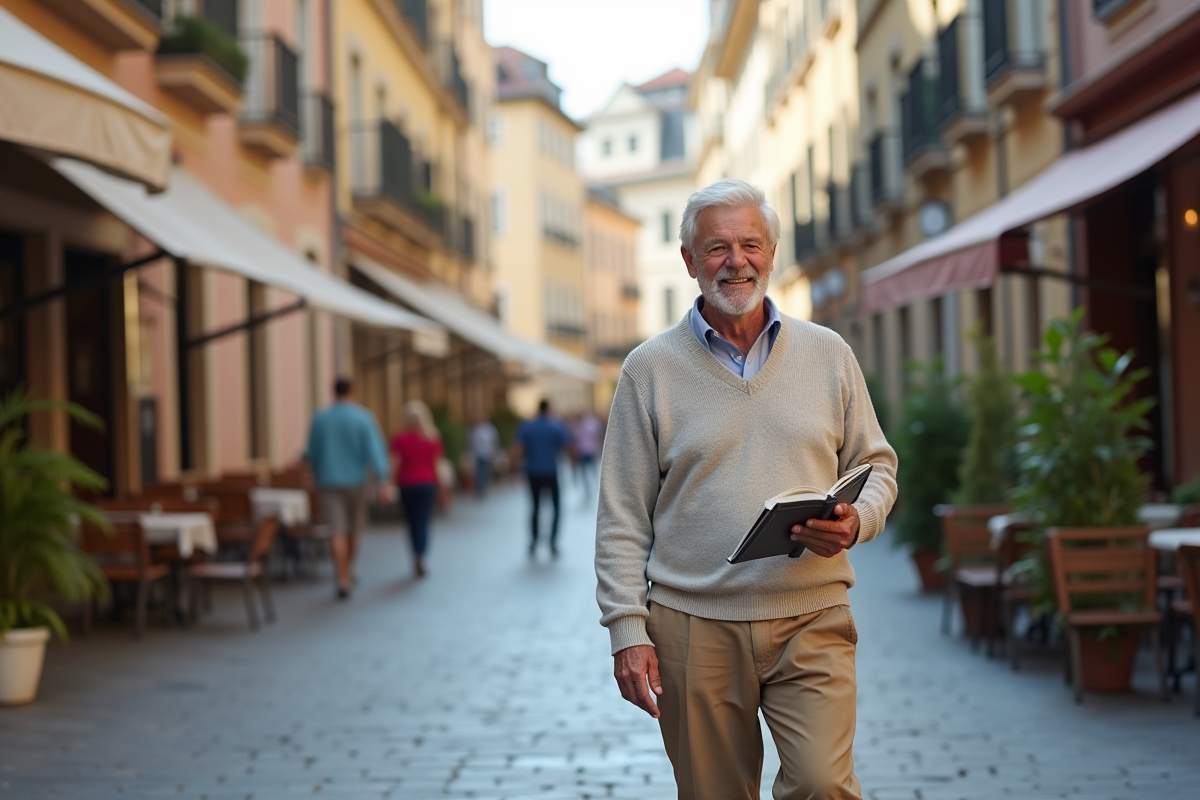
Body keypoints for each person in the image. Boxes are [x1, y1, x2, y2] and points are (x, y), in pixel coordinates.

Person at [595, 179, 897, 800]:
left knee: (823, 784)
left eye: (750, 244)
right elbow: (622, 513)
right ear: (687, 260)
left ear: (772, 252)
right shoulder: (647, 371)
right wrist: (628, 630)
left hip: (812, 613)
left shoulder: (828, 354)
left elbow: (877, 463)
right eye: (717, 248)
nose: (737, 261)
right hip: (693, 625)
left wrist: (856, 521)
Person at [305, 377, 393, 600]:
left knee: (336, 531)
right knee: (354, 529)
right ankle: (347, 571)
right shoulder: (363, 418)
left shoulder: (321, 419)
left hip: (329, 482)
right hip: (357, 482)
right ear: (353, 391)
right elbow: (375, 452)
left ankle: (341, 576)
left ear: (333, 392)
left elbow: (311, 453)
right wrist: (384, 479)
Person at [513, 399, 572, 557]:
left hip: (533, 472)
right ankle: (552, 542)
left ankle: (533, 541)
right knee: (556, 507)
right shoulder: (555, 426)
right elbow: (567, 446)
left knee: (535, 507)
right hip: (550, 472)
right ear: (548, 409)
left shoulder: (527, 426)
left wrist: (516, 469)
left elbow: (518, 449)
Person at [390, 400, 443, 578]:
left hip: (407, 485)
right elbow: (436, 467)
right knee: (423, 522)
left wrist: (390, 484)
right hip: (426, 484)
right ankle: (421, 556)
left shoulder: (400, 438)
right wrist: (441, 487)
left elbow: (395, 465)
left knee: (412, 523)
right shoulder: (432, 438)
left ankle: (415, 555)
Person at [572, 410, 604, 494]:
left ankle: (595, 484)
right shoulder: (577, 424)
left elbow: (598, 434)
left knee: (592, 468)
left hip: (590, 450)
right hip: (582, 451)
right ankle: (587, 486)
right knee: (584, 470)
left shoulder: (591, 423)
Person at [468, 415, 500, 497]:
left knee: (485, 471)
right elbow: (471, 442)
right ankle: (480, 488)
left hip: (487, 453)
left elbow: (494, 441)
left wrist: (494, 452)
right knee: (479, 472)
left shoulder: (490, 429)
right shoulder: (474, 429)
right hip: (478, 454)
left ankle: (484, 487)